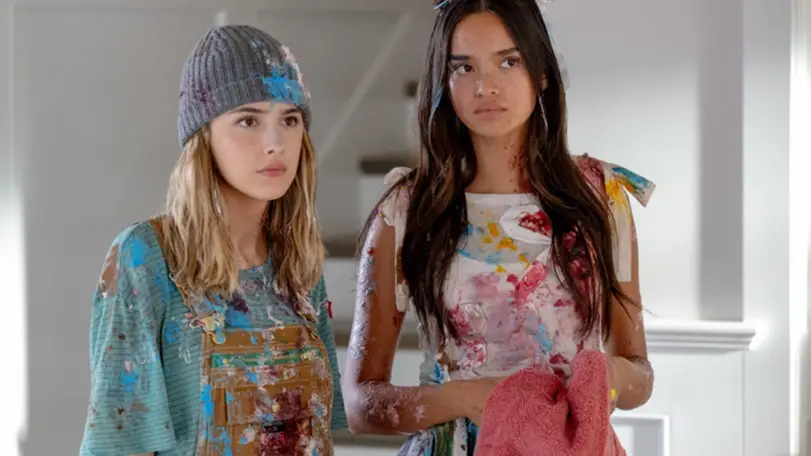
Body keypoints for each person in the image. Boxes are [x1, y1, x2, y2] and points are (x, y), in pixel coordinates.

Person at [342, 0, 656, 454]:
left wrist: (609, 376)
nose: (485, 86)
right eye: (464, 67)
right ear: (443, 81)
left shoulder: (602, 197)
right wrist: (467, 398)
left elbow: (640, 373)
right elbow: (360, 406)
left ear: (542, 72)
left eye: (509, 62)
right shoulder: (406, 210)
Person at [79, 24, 347, 456]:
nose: (275, 143)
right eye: (248, 120)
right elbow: (117, 446)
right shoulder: (147, 258)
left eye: (290, 119)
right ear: (203, 137)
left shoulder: (298, 267)